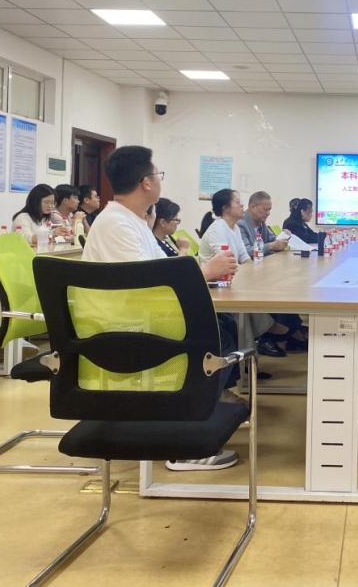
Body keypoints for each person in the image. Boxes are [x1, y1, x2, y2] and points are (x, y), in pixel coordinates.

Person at [82, 146, 239, 473]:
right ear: (146, 182)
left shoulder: (132, 221)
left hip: (137, 316)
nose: (159, 180)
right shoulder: (116, 224)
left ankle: (197, 415)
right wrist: (205, 271)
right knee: (210, 338)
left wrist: (201, 271)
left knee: (222, 327)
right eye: (157, 174)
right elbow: (147, 283)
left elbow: (161, 270)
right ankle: (181, 444)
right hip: (123, 326)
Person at [201, 189, 300, 357]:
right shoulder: (217, 229)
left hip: (232, 280)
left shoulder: (233, 228)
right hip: (215, 286)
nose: (242, 205)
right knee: (244, 303)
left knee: (256, 290)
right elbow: (227, 263)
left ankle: (253, 349)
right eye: (237, 202)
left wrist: (254, 274)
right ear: (225, 208)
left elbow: (244, 257)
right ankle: (253, 348)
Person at [237, 191, 288, 257]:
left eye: (269, 210)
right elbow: (246, 252)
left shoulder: (261, 222)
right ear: (252, 207)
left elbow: (273, 240)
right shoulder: (240, 224)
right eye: (265, 209)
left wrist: (284, 236)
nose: (268, 213)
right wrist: (271, 246)